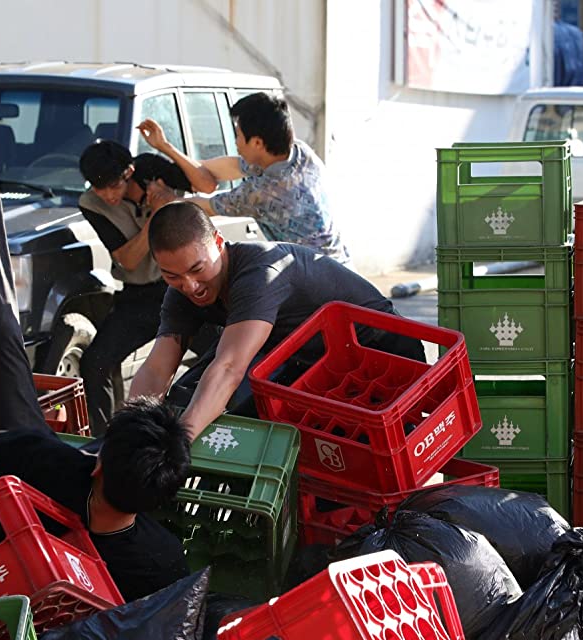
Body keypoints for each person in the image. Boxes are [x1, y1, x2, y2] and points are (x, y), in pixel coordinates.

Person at [0, 97, 191, 602]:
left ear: (97, 460)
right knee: (4, 331)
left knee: (0, 329)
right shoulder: (163, 561)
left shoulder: (57, 465)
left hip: (5, 528)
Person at [128, 201, 425, 440]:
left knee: (225, 413)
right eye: (172, 275)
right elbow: (156, 369)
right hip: (313, 362)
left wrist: (179, 442)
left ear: (218, 242)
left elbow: (229, 368)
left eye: (197, 269)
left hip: (382, 357)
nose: (190, 286)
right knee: (186, 400)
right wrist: (129, 431)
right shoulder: (182, 292)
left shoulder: (260, 274)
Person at [137, 92, 350, 264]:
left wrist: (166, 199)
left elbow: (206, 206)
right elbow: (227, 167)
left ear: (257, 143)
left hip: (320, 283)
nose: (236, 142)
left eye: (238, 135)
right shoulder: (300, 153)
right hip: (341, 266)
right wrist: (167, 149)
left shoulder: (264, 193)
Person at [76, 141, 191, 436]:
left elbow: (206, 183)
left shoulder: (152, 169)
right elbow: (127, 259)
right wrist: (155, 216)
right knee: (95, 363)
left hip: (183, 290)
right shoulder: (91, 203)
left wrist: (165, 146)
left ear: (129, 172)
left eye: (113, 186)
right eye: (99, 188)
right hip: (139, 297)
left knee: (222, 358)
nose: (107, 195)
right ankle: (104, 442)